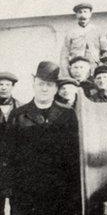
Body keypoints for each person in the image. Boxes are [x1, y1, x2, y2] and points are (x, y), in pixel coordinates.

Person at [5, 61, 80, 214]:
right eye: (41, 84)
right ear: (34, 84)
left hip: (60, 189)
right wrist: (10, 187)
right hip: (26, 190)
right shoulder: (18, 114)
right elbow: (8, 153)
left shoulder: (68, 114)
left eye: (49, 85)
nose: (44, 88)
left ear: (56, 89)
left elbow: (74, 154)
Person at [60, 2, 107, 75]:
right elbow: (64, 54)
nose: (82, 15)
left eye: (85, 12)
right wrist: (66, 73)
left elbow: (106, 52)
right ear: (76, 15)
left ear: (90, 14)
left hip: (94, 67)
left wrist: (104, 68)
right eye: (80, 12)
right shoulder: (71, 33)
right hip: (77, 67)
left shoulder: (98, 31)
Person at [0, 72, 18, 214]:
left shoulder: (22, 109)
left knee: (18, 203)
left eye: (7, 84)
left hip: (15, 164)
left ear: (12, 87)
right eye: (0, 84)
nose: (3, 88)